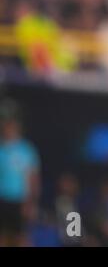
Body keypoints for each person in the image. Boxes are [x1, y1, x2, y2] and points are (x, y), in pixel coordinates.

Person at [0, 98, 40, 246]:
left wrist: (31, 202)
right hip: (2, 198)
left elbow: (33, 178)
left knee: (21, 237)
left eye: (12, 125)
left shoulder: (27, 150)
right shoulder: (1, 149)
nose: (9, 128)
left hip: (19, 200)